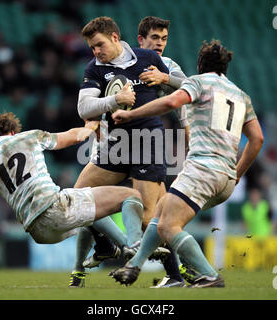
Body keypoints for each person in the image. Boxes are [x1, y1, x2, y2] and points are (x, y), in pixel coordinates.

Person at [110, 39, 264, 287]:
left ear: (200, 64)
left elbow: (171, 102)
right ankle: (134, 266)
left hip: (202, 169)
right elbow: (257, 139)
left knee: (169, 226)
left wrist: (130, 113)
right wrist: (236, 174)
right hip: (224, 177)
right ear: (225, 67)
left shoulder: (198, 81)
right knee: (161, 212)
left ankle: (209, 274)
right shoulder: (240, 95)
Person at [69, 16, 186, 288]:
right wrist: (114, 100)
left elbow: (191, 89)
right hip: (116, 144)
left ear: (114, 38)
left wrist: (165, 78)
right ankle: (105, 246)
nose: (95, 51)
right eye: (91, 47)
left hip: (148, 142)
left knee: (149, 218)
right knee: (78, 198)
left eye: (98, 45)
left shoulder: (149, 59)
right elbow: (84, 108)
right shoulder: (95, 68)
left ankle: (176, 276)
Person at [0, 110, 146, 272]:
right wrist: (91, 125)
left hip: (38, 232)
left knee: (90, 206)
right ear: (12, 132)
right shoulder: (28, 137)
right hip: (55, 209)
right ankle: (135, 248)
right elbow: (74, 136)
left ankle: (114, 247)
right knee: (131, 195)